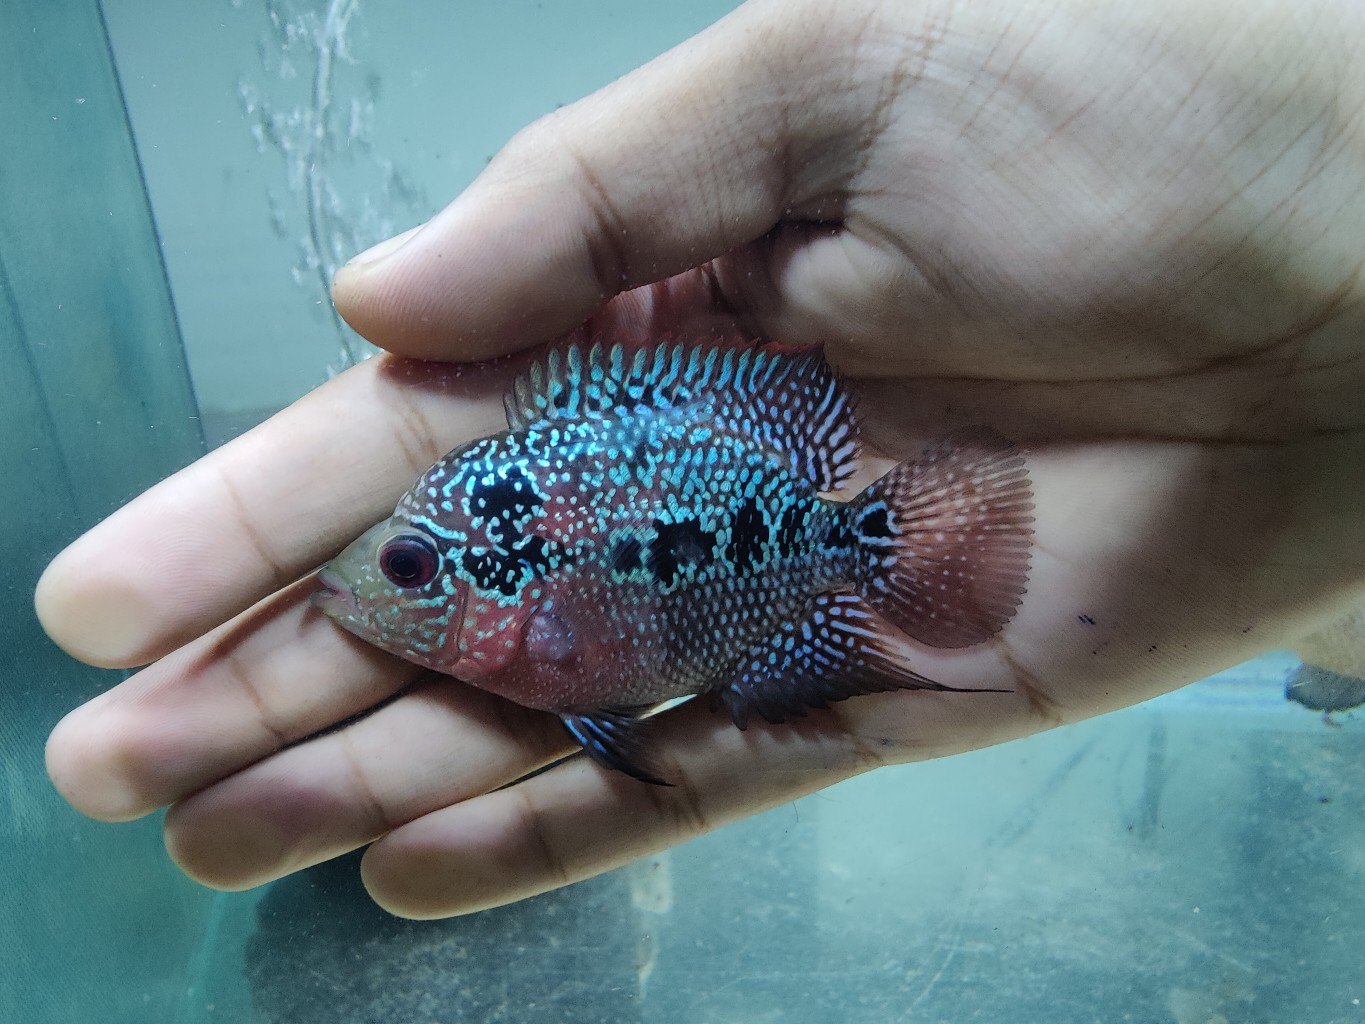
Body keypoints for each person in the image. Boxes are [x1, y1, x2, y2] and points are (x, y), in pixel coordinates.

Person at [35, 0, 1365, 919]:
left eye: (406, 562)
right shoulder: (503, 563)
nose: (374, 583)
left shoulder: (532, 580)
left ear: (493, 569)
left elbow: (594, 655)